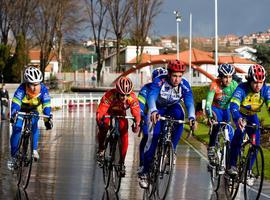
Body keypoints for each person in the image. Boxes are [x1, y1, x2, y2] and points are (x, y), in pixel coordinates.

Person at [139, 60, 197, 188]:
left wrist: (192, 117)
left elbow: (189, 102)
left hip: (172, 107)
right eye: (175, 76)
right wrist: (153, 110)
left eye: (180, 76)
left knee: (180, 115)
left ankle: (172, 149)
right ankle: (145, 172)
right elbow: (152, 96)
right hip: (158, 108)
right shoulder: (159, 81)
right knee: (153, 139)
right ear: (169, 74)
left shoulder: (184, 85)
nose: (177, 79)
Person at [228, 64, 270, 175]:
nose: (258, 86)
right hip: (240, 115)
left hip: (252, 117)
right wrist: (238, 119)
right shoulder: (242, 88)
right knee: (239, 135)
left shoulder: (266, 90)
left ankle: (248, 170)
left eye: (260, 83)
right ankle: (232, 165)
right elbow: (234, 104)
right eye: (255, 82)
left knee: (256, 143)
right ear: (249, 81)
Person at [9, 66, 53, 169]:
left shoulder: (43, 90)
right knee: (17, 128)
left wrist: (47, 119)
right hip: (21, 109)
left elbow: (46, 105)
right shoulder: (21, 89)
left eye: (37, 84)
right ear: (27, 83)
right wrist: (14, 114)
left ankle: (34, 150)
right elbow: (16, 102)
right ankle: (14, 155)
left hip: (34, 109)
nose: (34, 87)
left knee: (34, 124)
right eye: (32, 85)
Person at [96, 76, 141, 177]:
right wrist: (100, 120)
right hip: (108, 111)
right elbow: (101, 111)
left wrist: (137, 122)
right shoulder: (109, 95)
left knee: (124, 134)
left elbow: (136, 112)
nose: (124, 97)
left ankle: (122, 162)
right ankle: (101, 149)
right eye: (121, 95)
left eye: (127, 95)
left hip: (121, 112)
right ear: (117, 91)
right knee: (103, 127)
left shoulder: (132, 97)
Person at [205, 64, 238, 165]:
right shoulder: (215, 84)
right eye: (225, 77)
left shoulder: (234, 85)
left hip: (227, 109)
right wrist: (210, 115)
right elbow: (208, 102)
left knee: (229, 130)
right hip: (216, 108)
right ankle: (211, 147)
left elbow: (238, 100)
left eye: (230, 77)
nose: (228, 80)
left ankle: (230, 155)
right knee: (216, 125)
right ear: (220, 76)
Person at [137, 67, 168, 174]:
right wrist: (140, 115)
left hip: (160, 115)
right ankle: (142, 163)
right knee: (146, 136)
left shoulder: (168, 88)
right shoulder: (146, 88)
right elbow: (140, 104)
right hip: (147, 115)